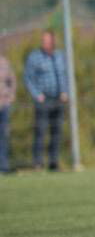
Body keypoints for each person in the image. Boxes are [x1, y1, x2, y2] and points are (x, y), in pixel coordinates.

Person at [24, 29, 68, 171]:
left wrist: (65, 92)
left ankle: (54, 163)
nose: (45, 43)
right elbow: (28, 77)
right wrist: (37, 94)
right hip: (43, 100)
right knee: (40, 132)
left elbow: (66, 75)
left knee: (57, 132)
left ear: (53, 41)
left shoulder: (60, 56)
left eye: (48, 40)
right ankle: (38, 163)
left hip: (58, 99)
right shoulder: (34, 57)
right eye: (43, 40)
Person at [0, 52, 16, 174]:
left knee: (4, 135)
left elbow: (12, 80)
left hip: (4, 104)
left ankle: (3, 165)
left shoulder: (4, 62)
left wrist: (11, 96)